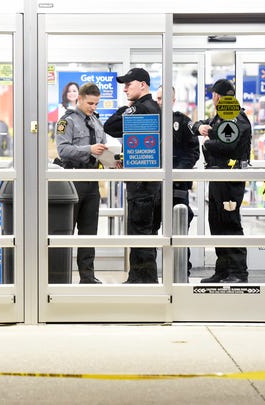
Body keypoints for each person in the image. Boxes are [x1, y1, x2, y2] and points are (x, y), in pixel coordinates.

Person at [104, 67, 162, 283]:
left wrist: (124, 109)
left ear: (143, 85)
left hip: (142, 184)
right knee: (146, 233)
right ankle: (142, 278)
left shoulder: (141, 109)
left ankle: (142, 281)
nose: (125, 88)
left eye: (129, 83)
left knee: (139, 233)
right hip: (150, 182)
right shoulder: (155, 108)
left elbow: (110, 126)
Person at [191, 79, 252, 283]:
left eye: (213, 96)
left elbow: (227, 144)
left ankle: (238, 272)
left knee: (229, 223)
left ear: (217, 96)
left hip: (230, 177)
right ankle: (223, 270)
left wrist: (208, 144)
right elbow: (207, 126)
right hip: (218, 176)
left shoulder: (236, 116)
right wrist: (202, 128)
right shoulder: (223, 115)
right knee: (216, 223)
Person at [55, 82, 108, 284]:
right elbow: (63, 150)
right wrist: (89, 149)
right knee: (66, 230)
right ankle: (60, 277)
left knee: (89, 231)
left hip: (92, 181)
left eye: (96, 104)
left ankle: (87, 276)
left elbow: (102, 147)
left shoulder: (96, 121)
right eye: (90, 103)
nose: (93, 107)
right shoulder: (67, 121)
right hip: (73, 180)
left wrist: (111, 160)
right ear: (80, 99)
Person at [156, 85, 200, 273]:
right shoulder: (147, 122)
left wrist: (175, 174)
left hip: (177, 187)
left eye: (164, 98)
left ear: (173, 100)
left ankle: (182, 271)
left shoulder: (182, 122)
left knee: (179, 230)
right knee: (150, 232)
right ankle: (150, 274)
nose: (159, 102)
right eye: (157, 98)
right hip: (153, 187)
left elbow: (192, 152)